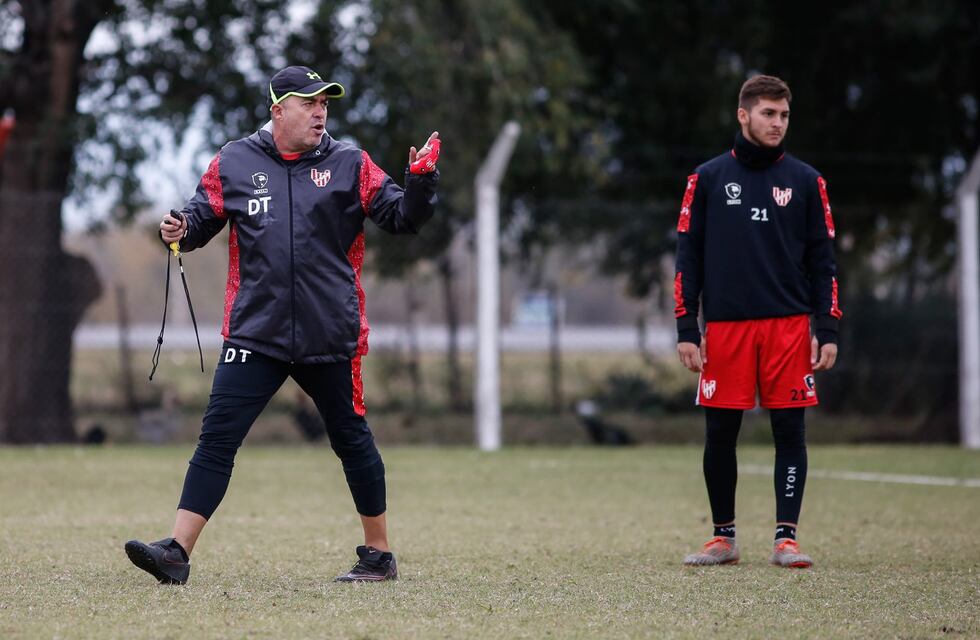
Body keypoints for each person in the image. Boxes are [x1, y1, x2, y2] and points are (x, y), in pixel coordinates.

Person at [124, 65, 441, 584]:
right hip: (256, 333)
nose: (320, 112)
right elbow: (198, 222)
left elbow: (404, 218)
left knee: (351, 440)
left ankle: (378, 556)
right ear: (278, 110)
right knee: (217, 439)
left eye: (325, 104)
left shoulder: (351, 163)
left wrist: (422, 183)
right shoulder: (234, 159)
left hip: (329, 333)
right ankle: (176, 553)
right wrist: (176, 229)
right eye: (308, 102)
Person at [673, 75, 841, 568]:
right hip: (725, 329)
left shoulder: (808, 182)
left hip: (789, 328)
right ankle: (723, 538)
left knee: (790, 433)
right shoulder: (705, 178)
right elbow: (688, 260)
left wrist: (826, 328)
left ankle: (786, 539)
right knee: (720, 435)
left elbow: (823, 262)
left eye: (784, 115)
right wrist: (688, 329)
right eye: (768, 113)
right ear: (744, 115)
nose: (777, 123)